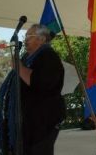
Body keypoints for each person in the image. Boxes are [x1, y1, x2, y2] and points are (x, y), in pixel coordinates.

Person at [17, 24, 66, 155]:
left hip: (44, 120)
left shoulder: (49, 57)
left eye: (30, 36)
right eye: (25, 36)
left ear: (42, 39)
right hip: (30, 119)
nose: (26, 39)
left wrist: (18, 67)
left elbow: (37, 82)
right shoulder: (27, 58)